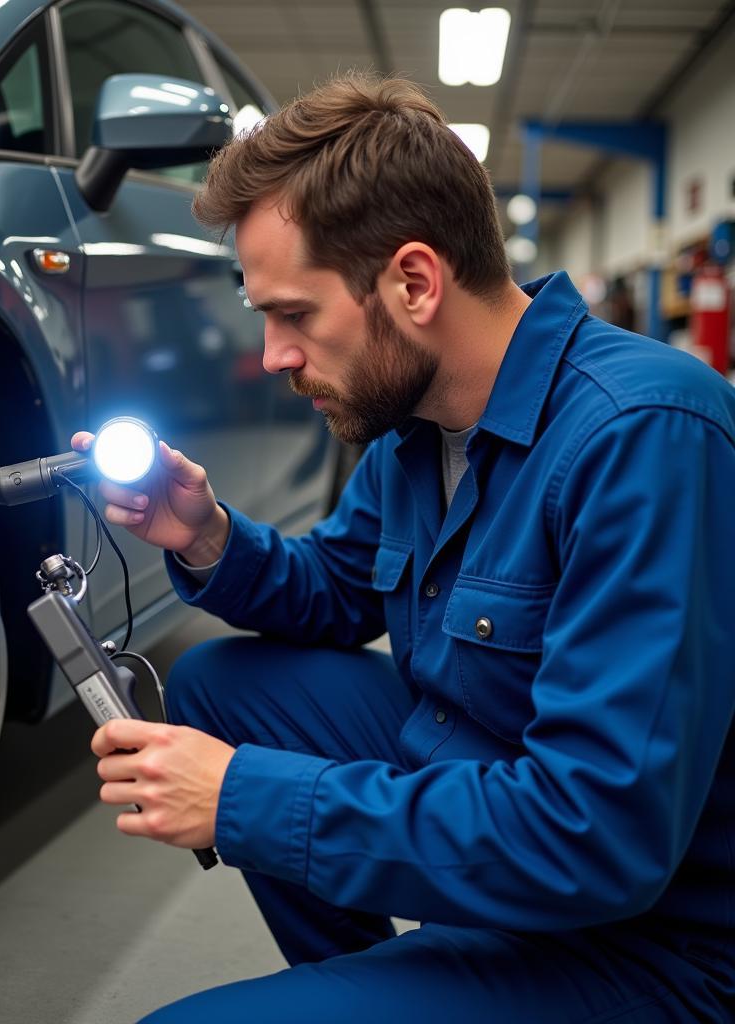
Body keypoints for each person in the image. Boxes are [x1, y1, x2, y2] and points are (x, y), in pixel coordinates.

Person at [71, 73, 735, 1022]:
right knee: (225, 687)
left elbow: (597, 835)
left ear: (414, 282)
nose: (272, 355)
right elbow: (337, 592)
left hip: (653, 943)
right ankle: (379, 986)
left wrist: (245, 798)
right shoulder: (416, 428)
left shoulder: (645, 434)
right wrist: (207, 535)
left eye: (295, 314)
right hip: (498, 788)